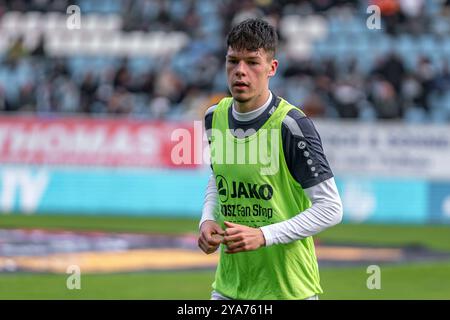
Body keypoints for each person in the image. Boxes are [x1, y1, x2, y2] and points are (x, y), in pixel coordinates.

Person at [198, 18, 343, 300]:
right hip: (228, 288)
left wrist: (264, 235)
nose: (240, 72)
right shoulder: (213, 116)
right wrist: (206, 220)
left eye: (252, 62)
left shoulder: (291, 125)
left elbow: (331, 207)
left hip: (287, 291)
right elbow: (219, 177)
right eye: (233, 61)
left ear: (271, 68)